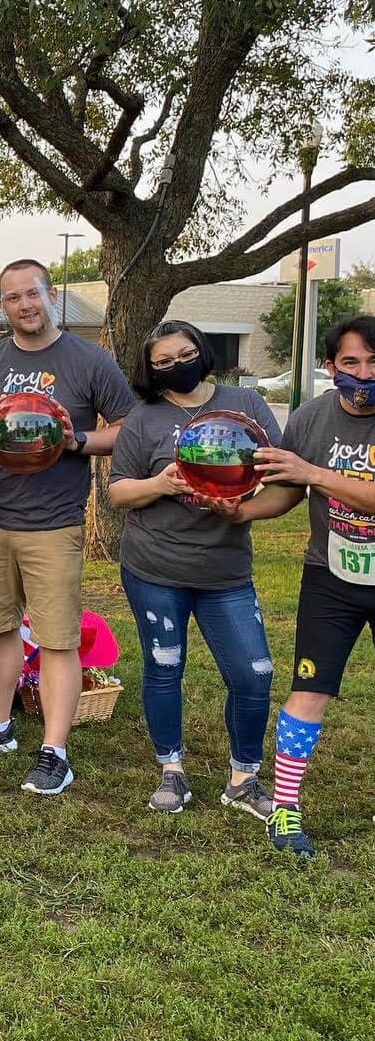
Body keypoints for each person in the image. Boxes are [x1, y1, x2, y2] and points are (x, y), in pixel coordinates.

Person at [0, 259, 136, 795]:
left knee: (56, 639)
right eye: (12, 298)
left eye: (33, 294)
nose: (24, 304)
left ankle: (55, 752)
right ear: (2, 306)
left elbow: (126, 429)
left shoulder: (89, 360)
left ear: (51, 295)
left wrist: (75, 442)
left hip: (53, 522)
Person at [211, 316, 375, 857]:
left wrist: (316, 473)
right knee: (309, 690)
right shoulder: (309, 418)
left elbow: (315, 480)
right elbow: (289, 494)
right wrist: (243, 512)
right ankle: (285, 811)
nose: (363, 373)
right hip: (329, 577)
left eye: (374, 363)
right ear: (331, 367)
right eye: (350, 363)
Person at [107, 320, 280, 817]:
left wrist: (243, 507)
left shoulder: (245, 407)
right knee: (164, 667)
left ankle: (244, 777)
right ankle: (171, 771)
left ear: (202, 352)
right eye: (162, 361)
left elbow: (280, 473)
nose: (176, 366)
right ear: (150, 369)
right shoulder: (144, 417)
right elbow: (119, 491)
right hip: (154, 567)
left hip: (225, 570)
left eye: (184, 354)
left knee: (254, 674)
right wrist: (162, 484)